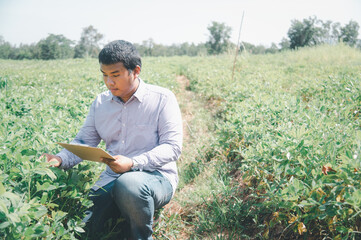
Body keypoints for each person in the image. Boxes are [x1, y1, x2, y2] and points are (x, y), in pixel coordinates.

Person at [42, 40, 183, 239]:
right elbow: (84, 141)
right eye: (104, 75)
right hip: (112, 178)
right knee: (85, 226)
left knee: (130, 184)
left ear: (135, 71)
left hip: (156, 177)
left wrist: (134, 162)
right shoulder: (101, 103)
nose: (109, 82)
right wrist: (60, 159)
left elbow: (173, 147)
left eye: (115, 75)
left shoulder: (162, 99)